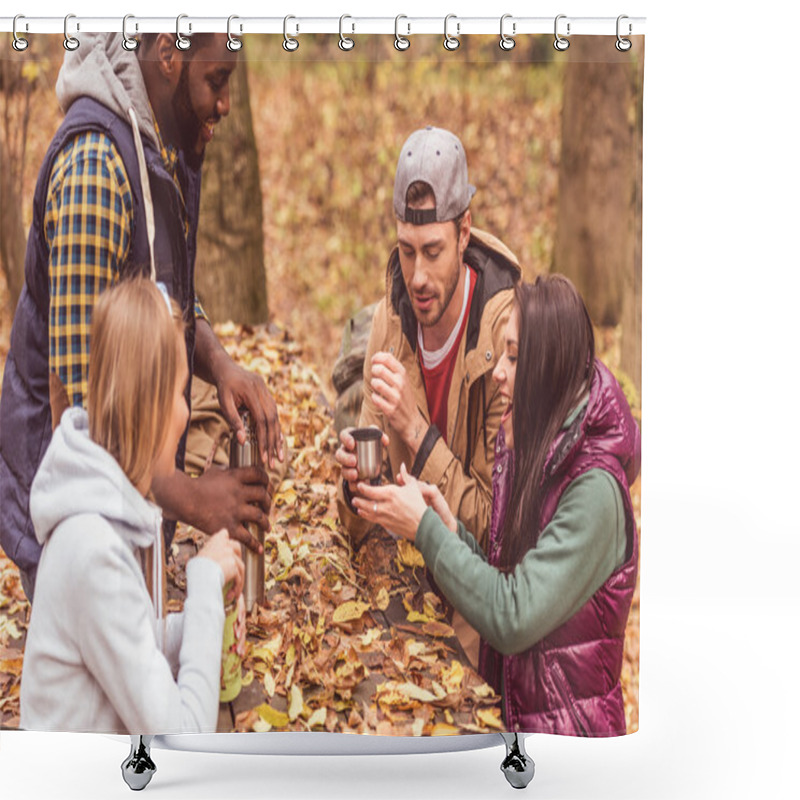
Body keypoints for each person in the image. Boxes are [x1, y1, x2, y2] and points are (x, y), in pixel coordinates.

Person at [0, 32, 282, 602]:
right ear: (169, 56)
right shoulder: (95, 173)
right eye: (217, 80)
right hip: (73, 530)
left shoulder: (156, 138)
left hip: (127, 504)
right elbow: (83, 414)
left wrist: (219, 363)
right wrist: (193, 497)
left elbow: (160, 291)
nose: (225, 105)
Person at [352, 275, 640, 736]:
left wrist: (425, 529)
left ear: (549, 367)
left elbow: (513, 616)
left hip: (569, 742)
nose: (499, 372)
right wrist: (448, 528)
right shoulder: (534, 443)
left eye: (514, 356)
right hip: (518, 726)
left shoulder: (595, 493)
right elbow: (509, 575)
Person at [20, 278, 245, 734]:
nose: (186, 413)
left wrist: (202, 622)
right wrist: (202, 584)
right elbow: (184, 740)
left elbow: (132, 639)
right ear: (152, 402)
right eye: (181, 393)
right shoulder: (92, 549)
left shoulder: (104, 508)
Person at [335, 126, 521, 664]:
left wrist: (416, 431)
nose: (417, 276)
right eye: (406, 251)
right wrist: (354, 487)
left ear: (465, 233)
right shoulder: (390, 322)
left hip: (478, 622)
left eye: (434, 252)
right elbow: (361, 519)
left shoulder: (506, 340)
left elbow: (496, 529)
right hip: (402, 598)